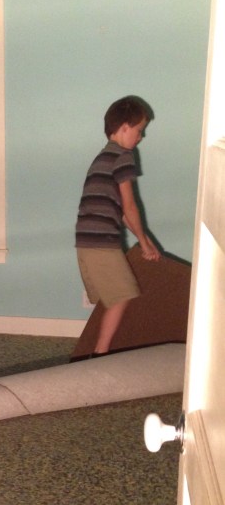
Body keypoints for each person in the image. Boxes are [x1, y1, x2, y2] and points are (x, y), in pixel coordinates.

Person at [75, 96, 161, 355]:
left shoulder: (103, 157)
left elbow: (120, 213)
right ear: (124, 127)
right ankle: (100, 354)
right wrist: (144, 243)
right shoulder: (123, 156)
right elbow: (129, 206)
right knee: (122, 294)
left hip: (86, 240)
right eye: (139, 131)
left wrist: (144, 239)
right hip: (101, 242)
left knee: (112, 297)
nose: (141, 137)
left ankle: (99, 349)